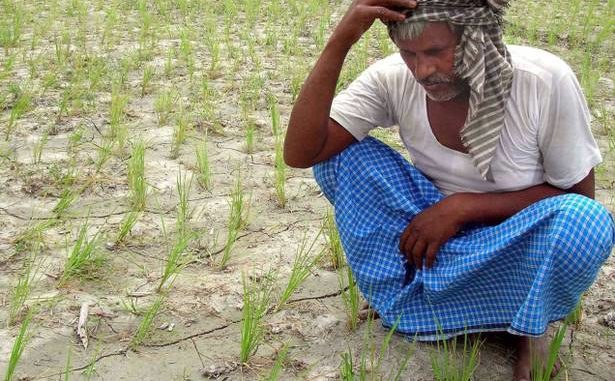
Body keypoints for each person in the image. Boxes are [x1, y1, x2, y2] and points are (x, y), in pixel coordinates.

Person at [283, 0, 615, 380]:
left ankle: (528, 328)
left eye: (437, 52)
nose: (423, 70)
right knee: (340, 158)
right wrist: (341, 40)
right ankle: (413, 299)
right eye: (409, 54)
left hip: (513, 239)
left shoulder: (542, 80)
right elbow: (301, 153)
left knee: (584, 222)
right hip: (430, 238)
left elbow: (578, 197)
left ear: (477, 38)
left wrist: (463, 208)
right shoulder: (392, 78)